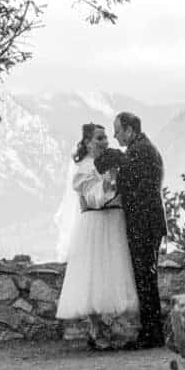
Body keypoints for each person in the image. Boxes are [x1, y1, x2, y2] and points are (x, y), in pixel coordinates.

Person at [55, 123, 139, 345]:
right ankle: (97, 329)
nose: (104, 142)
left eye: (105, 138)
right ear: (87, 142)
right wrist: (110, 179)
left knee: (113, 271)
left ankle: (110, 328)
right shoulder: (85, 168)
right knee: (94, 273)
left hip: (115, 220)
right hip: (96, 222)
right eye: (99, 138)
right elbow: (94, 198)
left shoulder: (109, 163)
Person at [102, 112, 167, 349]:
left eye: (117, 130)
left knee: (145, 278)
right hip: (147, 222)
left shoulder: (140, 151)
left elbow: (129, 184)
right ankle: (151, 331)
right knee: (145, 277)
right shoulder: (142, 149)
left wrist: (114, 163)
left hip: (144, 224)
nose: (115, 135)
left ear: (129, 129)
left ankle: (152, 334)